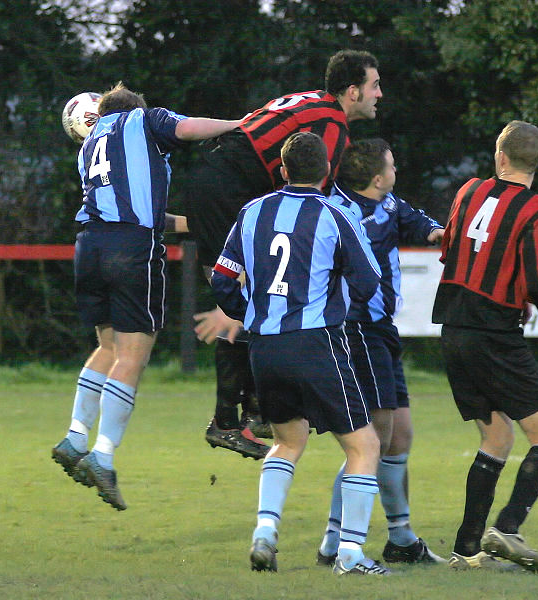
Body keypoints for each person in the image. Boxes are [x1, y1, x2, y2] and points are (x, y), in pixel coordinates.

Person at [51, 82, 243, 510]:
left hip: (90, 246)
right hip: (131, 249)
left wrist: (200, 223)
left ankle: (74, 436)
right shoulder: (144, 118)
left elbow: (152, 213)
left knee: (107, 347)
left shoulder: (89, 149)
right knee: (132, 356)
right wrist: (238, 124)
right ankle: (102, 455)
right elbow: (190, 128)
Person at [185, 49, 383, 460]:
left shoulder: (310, 101)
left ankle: (251, 408)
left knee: (249, 304)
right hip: (228, 190)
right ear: (352, 91)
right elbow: (310, 202)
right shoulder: (330, 124)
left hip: (216, 182)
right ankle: (231, 417)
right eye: (374, 85)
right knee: (249, 303)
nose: (380, 94)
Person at [211, 132, 390, 576]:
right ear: (327, 171)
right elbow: (369, 281)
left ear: (283, 171)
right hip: (317, 344)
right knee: (364, 446)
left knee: (287, 443)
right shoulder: (335, 214)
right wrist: (340, 306)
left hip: (264, 348)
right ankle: (349, 555)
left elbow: (220, 279)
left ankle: (265, 533)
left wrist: (248, 312)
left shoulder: (253, 212)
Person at [431, 120, 538, 571]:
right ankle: (509, 528)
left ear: (500, 157)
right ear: (536, 165)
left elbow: (452, 253)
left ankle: (465, 550)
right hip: (494, 334)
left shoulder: (468, 191)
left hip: (454, 327)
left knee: (496, 437)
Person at [316, 138, 446, 567]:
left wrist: (441, 233)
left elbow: (419, 223)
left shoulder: (387, 203)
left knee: (399, 436)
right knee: (374, 439)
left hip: (382, 331)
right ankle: (334, 542)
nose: (396, 172)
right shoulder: (335, 211)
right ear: (376, 178)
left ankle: (401, 537)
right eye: (391, 166)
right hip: (356, 331)